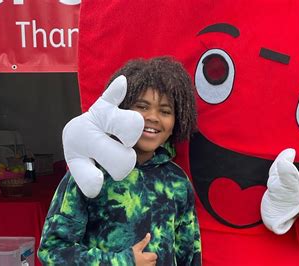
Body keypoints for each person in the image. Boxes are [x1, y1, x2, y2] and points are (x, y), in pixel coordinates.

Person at [38, 57, 201, 266]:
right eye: (142, 106)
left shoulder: (177, 181)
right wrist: (123, 262)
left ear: (177, 122)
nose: (153, 117)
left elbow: (189, 254)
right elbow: (53, 251)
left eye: (165, 111)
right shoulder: (90, 171)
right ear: (121, 110)